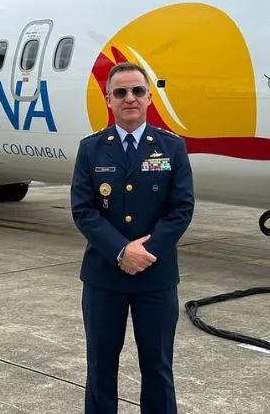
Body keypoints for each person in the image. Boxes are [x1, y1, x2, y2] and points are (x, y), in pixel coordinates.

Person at [70, 60, 195, 414]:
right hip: (104, 277)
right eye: (120, 92)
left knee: (157, 368)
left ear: (149, 98)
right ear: (108, 100)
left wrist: (145, 252)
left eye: (137, 91)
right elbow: (84, 210)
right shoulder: (92, 148)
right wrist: (121, 251)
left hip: (155, 277)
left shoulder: (171, 147)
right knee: (100, 368)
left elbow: (181, 209)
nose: (130, 98)